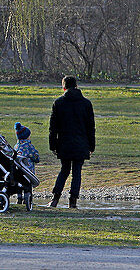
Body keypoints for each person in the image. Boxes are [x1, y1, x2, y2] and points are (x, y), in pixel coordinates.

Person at [48, 75, 95, 208]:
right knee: (77, 172)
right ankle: (73, 201)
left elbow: (53, 128)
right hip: (81, 144)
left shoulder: (58, 103)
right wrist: (92, 146)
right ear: (76, 86)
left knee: (64, 170)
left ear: (64, 87)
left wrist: (53, 145)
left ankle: (55, 198)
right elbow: (91, 127)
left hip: (64, 144)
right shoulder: (86, 104)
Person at [14, 122, 40, 208]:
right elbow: (36, 158)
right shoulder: (29, 146)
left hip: (18, 170)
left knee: (19, 184)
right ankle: (28, 200)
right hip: (27, 171)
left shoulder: (16, 146)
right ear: (27, 136)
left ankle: (19, 198)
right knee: (27, 185)